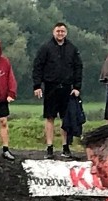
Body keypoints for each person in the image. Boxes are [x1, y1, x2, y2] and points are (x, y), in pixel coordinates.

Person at [32, 22, 83, 159]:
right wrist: (37, 86)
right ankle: (49, 147)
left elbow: (78, 68)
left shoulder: (72, 48)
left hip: (67, 88)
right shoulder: (45, 48)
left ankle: (65, 147)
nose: (60, 34)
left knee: (65, 119)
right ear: (53, 32)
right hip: (50, 87)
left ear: (66, 33)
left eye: (62, 31)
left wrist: (77, 87)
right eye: (58, 31)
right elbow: (37, 67)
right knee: (50, 117)